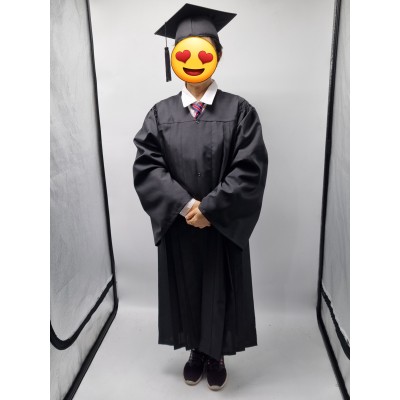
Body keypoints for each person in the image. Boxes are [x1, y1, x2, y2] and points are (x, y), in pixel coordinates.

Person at [132, 3, 268, 391]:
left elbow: (250, 168)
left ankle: (216, 354)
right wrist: (184, 205)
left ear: (218, 56)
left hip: (220, 224)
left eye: (204, 52)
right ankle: (195, 351)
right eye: (185, 53)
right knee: (187, 285)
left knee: (218, 286)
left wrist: (211, 208)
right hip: (181, 223)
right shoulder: (159, 114)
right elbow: (147, 166)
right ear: (174, 58)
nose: (194, 61)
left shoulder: (240, 111)